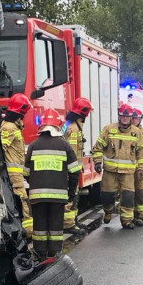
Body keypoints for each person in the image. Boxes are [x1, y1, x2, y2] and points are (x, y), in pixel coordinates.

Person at [25, 109, 80, 258]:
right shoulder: (65, 145)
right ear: (58, 125)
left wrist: (35, 183)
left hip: (37, 196)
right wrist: (71, 191)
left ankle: (40, 252)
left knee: (39, 225)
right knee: (55, 225)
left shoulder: (33, 145)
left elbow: (26, 172)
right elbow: (75, 171)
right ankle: (55, 253)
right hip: (58, 195)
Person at [91, 103, 143, 228]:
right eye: (122, 116)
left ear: (131, 117)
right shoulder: (109, 130)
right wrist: (98, 162)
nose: (125, 118)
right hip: (110, 171)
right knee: (107, 196)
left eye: (127, 116)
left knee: (128, 197)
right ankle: (108, 211)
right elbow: (98, 148)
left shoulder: (136, 133)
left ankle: (126, 221)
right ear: (119, 116)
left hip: (128, 173)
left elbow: (142, 152)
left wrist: (141, 168)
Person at [0, 93, 34, 233]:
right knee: (22, 200)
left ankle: (26, 231)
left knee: (23, 200)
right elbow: (2, 148)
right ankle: (27, 233)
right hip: (13, 174)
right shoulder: (9, 128)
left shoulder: (14, 126)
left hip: (17, 173)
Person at [63, 98, 93, 235]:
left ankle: (73, 221)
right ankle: (69, 224)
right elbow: (73, 152)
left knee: (74, 195)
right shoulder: (74, 129)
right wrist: (74, 171)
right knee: (72, 195)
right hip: (71, 170)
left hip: (70, 169)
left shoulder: (71, 124)